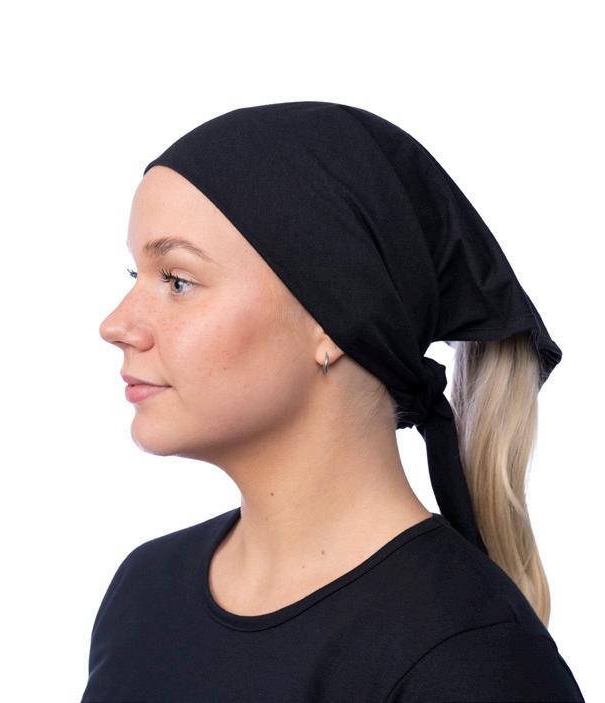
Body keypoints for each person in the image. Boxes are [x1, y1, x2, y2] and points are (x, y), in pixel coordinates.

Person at [81, 102, 584, 702]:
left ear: (333, 316)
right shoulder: (144, 594)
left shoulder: (472, 660)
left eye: (177, 280)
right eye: (134, 276)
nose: (116, 325)